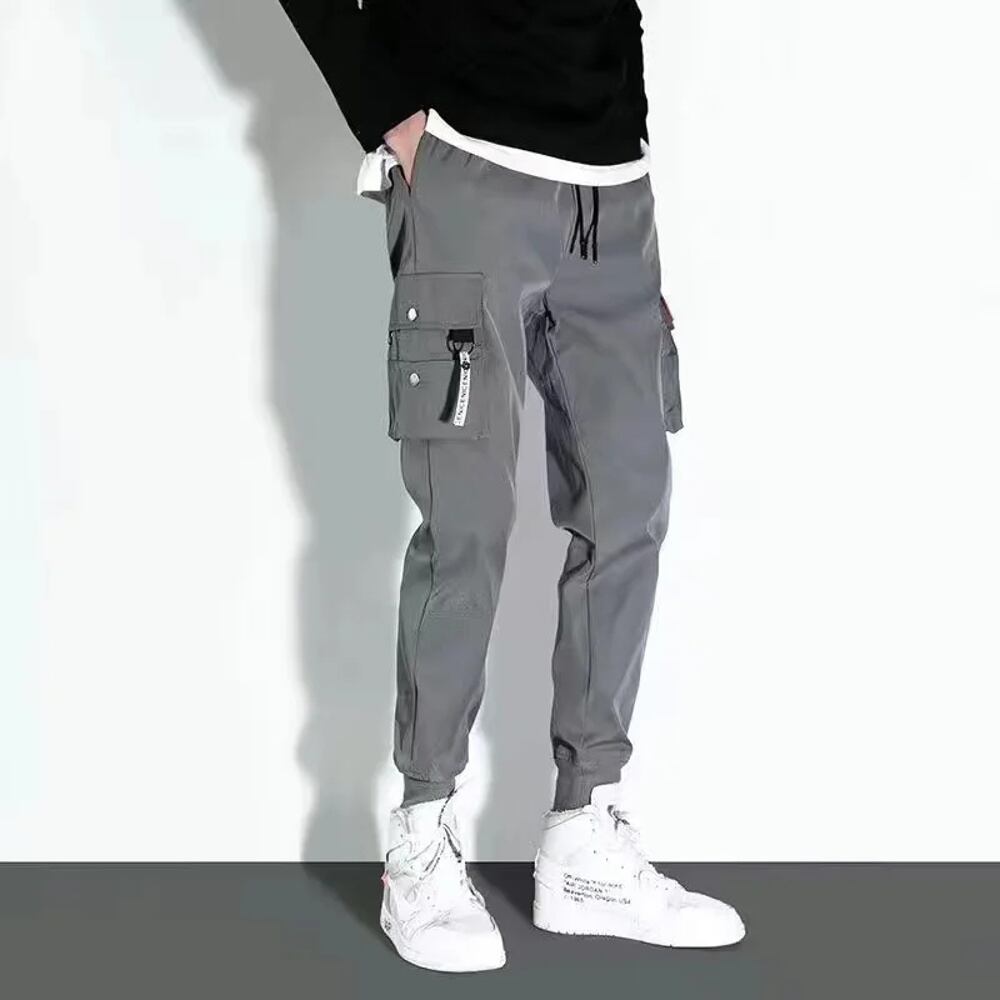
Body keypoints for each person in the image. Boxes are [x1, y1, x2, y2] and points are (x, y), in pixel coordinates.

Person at [278, 0, 745, 972]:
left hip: (612, 195)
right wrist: (393, 118)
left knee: (628, 507)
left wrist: (628, 134)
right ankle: (421, 834)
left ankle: (586, 832)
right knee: (468, 524)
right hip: (467, 167)